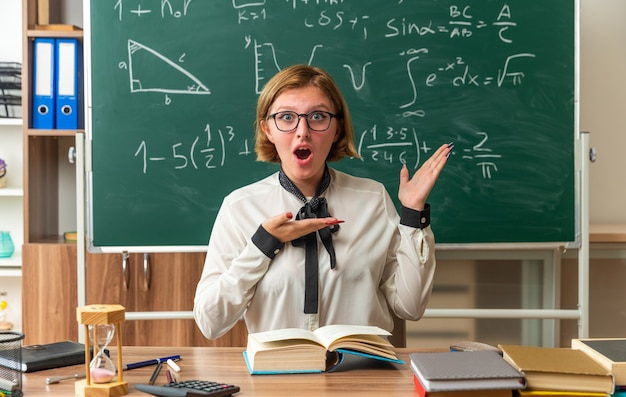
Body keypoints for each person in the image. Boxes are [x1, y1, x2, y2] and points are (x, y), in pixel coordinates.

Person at [193, 64, 450, 341]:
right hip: (276, 374)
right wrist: (263, 244)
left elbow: (410, 308)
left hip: (362, 373)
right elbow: (211, 323)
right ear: (268, 129)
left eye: (317, 116)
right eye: (287, 117)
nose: (302, 131)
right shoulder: (239, 207)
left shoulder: (373, 200)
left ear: (337, 128)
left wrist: (413, 215)